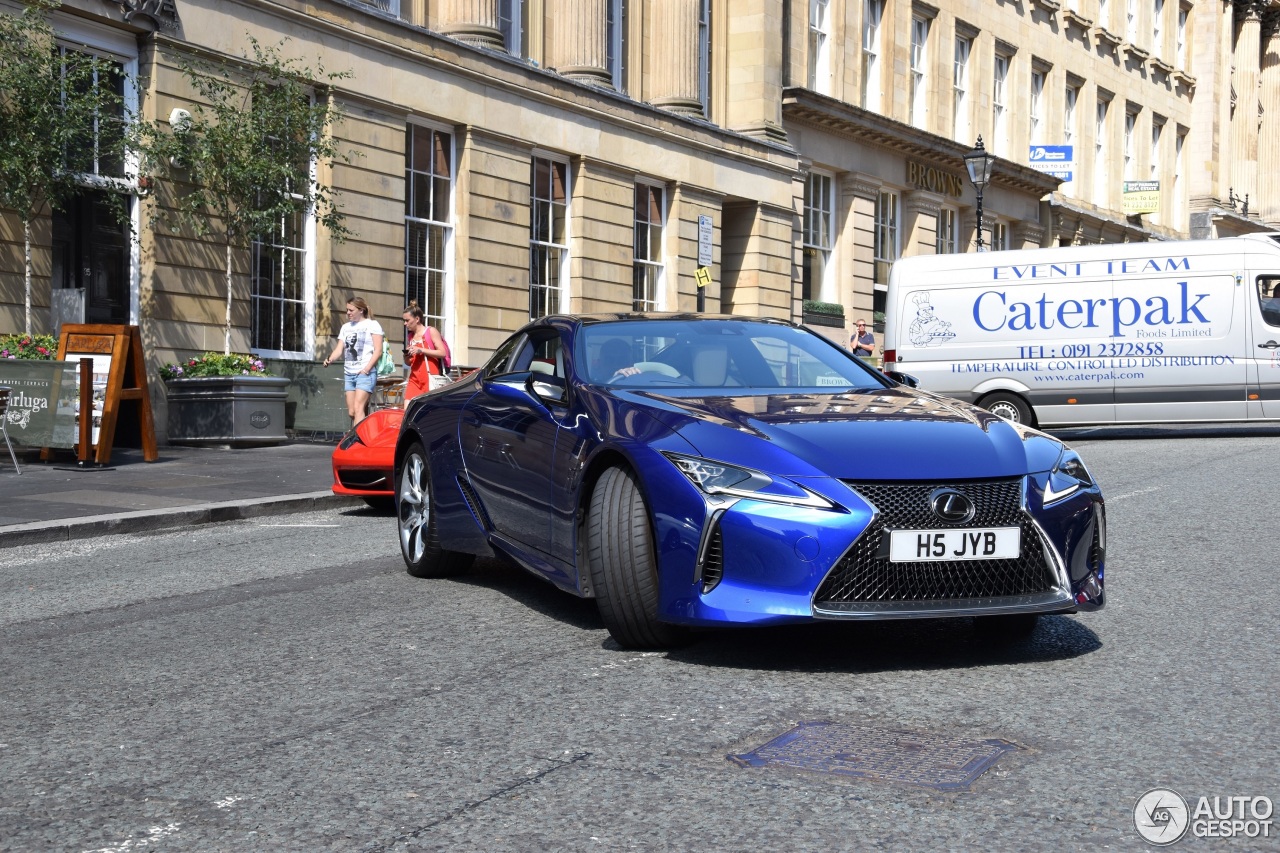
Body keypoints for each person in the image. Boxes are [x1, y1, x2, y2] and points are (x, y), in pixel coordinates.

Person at [322, 296, 384, 425]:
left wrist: (366, 369)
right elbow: (339, 350)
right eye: (347, 310)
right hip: (349, 373)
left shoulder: (372, 324)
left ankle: (356, 442)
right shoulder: (346, 327)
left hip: (365, 373)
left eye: (351, 310)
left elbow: (378, 350)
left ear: (361, 310)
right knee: (352, 412)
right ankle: (366, 434)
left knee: (358, 408)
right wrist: (329, 359)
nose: (348, 313)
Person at [402, 301, 450, 406]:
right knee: (407, 412)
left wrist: (421, 350)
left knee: (426, 413)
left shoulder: (431, 331)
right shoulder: (411, 337)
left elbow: (442, 353)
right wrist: (406, 357)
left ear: (417, 319)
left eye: (407, 320)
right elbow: (409, 363)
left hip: (430, 378)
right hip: (414, 379)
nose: (405, 323)